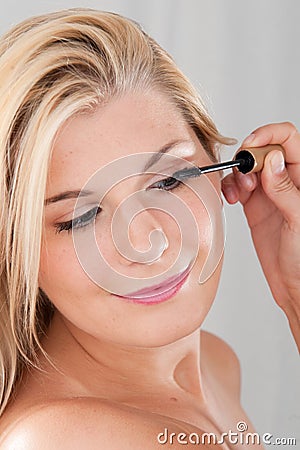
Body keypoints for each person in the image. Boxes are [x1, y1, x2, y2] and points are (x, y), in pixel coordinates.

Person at [0, 8, 298, 449]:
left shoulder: (218, 365)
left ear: (222, 168)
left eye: (167, 181)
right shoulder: (65, 439)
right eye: (81, 217)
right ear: (14, 250)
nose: (145, 240)